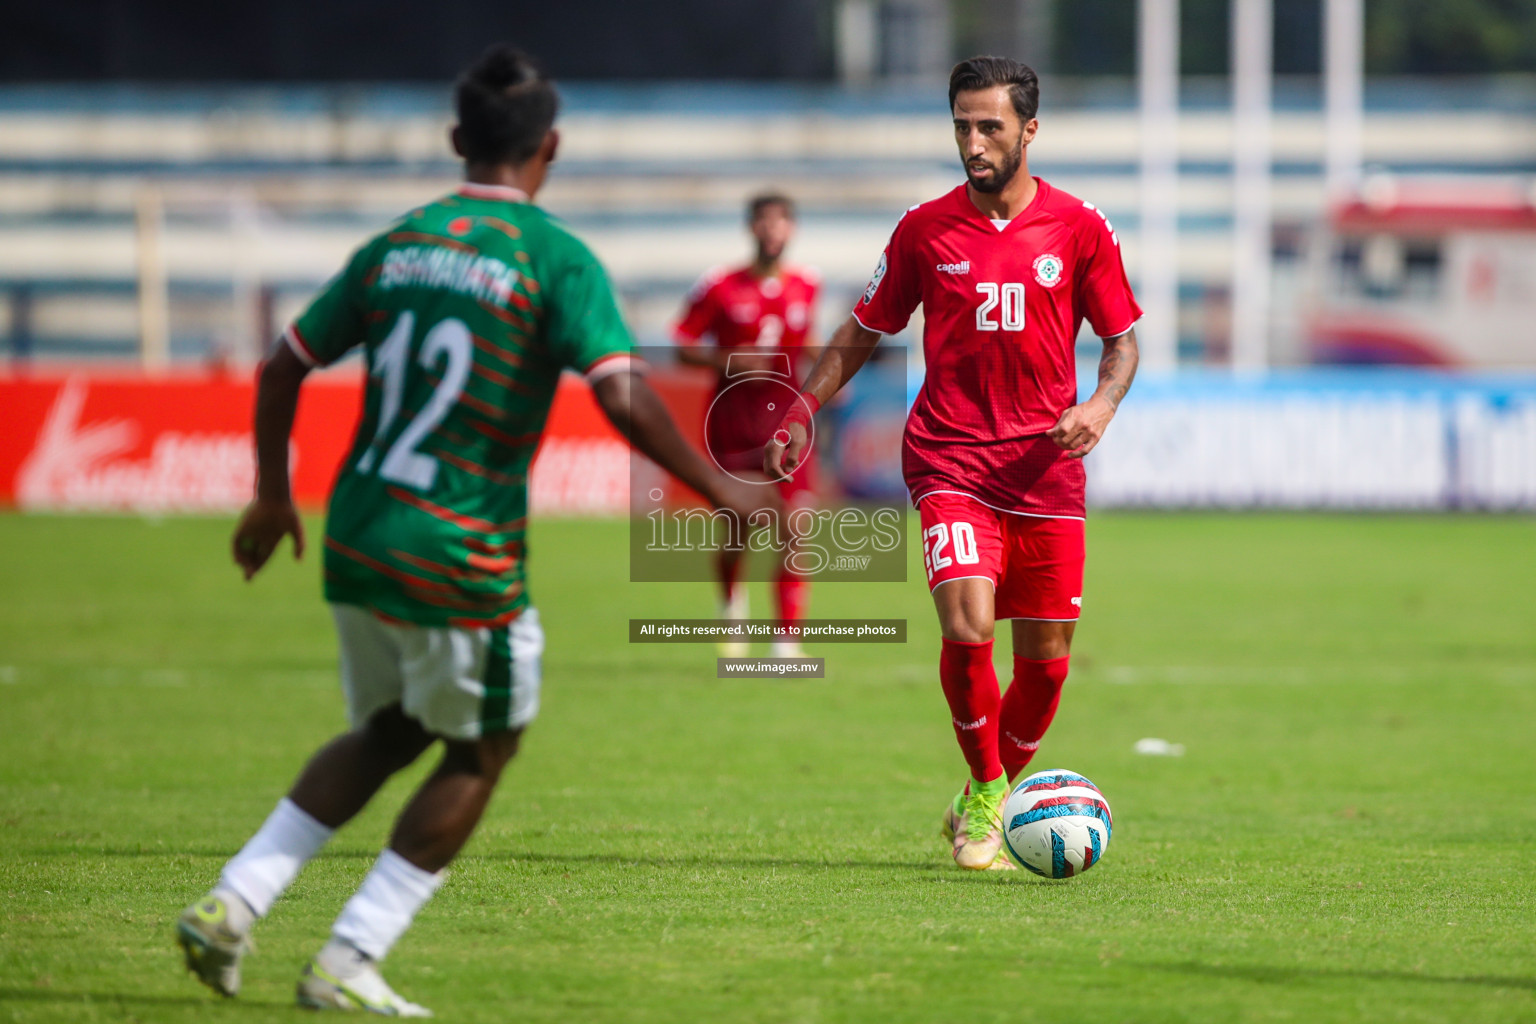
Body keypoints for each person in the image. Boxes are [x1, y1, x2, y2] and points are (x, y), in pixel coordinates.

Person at [174, 45, 764, 1014]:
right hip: (458, 547)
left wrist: (273, 496)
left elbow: (283, 365)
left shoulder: (398, 244)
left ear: (457, 141)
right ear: (552, 147)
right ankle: (349, 957)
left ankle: (234, 901)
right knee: (484, 749)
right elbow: (619, 389)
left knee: (394, 725)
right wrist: (716, 485)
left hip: (357, 533)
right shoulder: (556, 258)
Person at [765, 56, 1140, 871]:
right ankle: (983, 798)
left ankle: (993, 791)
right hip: (948, 460)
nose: (973, 142)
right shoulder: (923, 230)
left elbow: (1121, 343)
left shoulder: (1080, 228)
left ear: (1029, 130)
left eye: (990, 127)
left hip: (1045, 469)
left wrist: (1101, 406)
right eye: (962, 125)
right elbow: (862, 329)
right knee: (968, 623)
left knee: (1045, 667)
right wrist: (801, 406)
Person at [673, 193, 821, 657]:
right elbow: (681, 343)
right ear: (751, 228)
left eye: (781, 222)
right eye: (764, 221)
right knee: (738, 528)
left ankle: (787, 638)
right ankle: (732, 606)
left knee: (796, 525)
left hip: (789, 426)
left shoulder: (807, 286)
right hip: (733, 425)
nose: (773, 230)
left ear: (791, 230)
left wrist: (833, 372)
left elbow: (806, 341)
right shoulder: (720, 286)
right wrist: (728, 359)